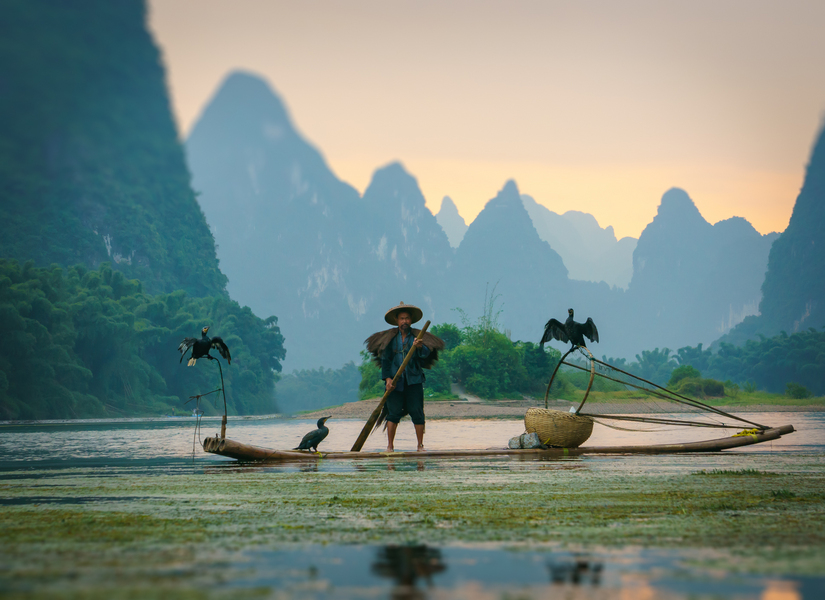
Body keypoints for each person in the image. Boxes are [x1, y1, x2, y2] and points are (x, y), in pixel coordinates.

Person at [364, 302, 444, 452]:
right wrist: (387, 379)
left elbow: (426, 353)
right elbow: (385, 360)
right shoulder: (390, 338)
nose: (404, 321)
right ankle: (390, 447)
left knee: (417, 413)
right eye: (402, 318)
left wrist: (420, 347)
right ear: (396, 320)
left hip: (414, 380)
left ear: (411, 320)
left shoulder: (417, 337)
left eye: (407, 318)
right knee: (393, 414)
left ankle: (420, 446)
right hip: (395, 382)